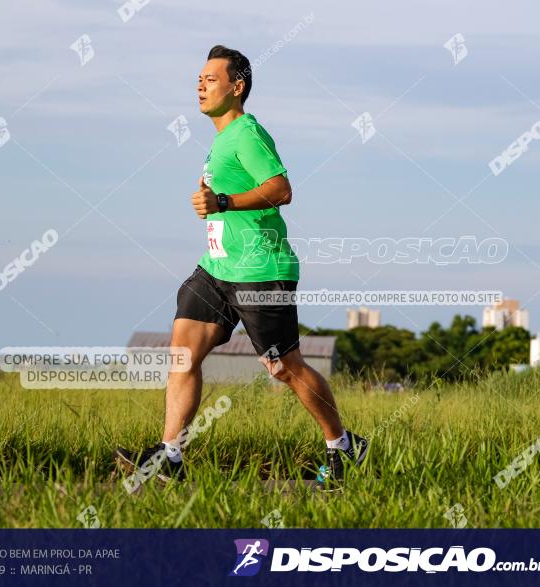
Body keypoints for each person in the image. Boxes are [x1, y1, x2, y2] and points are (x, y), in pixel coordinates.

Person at [114, 45, 368, 490]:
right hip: (215, 269)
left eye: (210, 79)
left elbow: (281, 189)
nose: (200, 85)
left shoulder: (247, 133)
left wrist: (224, 201)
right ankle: (170, 455)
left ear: (237, 86)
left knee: (283, 366)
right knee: (183, 354)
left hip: (259, 269)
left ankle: (343, 446)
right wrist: (212, 200)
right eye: (198, 79)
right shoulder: (220, 140)